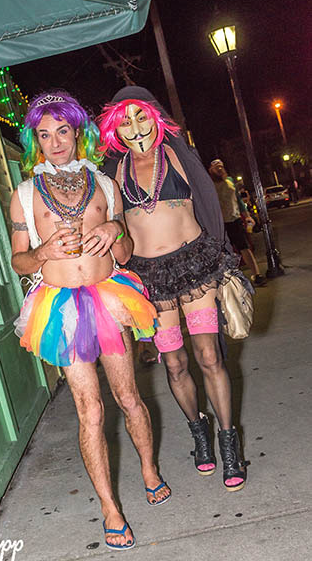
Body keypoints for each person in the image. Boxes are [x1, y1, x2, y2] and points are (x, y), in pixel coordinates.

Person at [10, 91, 171, 551]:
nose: (55, 142)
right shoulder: (23, 194)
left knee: (128, 397)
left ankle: (148, 468)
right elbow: (19, 261)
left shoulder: (104, 185)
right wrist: (43, 253)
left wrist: (111, 230)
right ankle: (109, 508)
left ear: (77, 133)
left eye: (62, 131)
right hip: (59, 309)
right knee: (89, 409)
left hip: (109, 301)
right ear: (34, 141)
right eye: (44, 134)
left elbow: (126, 251)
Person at [98, 85, 247, 492]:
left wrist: (224, 259)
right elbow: (111, 228)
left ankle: (228, 441)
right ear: (116, 128)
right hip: (151, 279)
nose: (135, 127)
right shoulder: (113, 172)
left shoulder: (178, 155)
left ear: (155, 117)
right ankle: (198, 430)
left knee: (209, 356)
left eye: (141, 116)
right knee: (175, 363)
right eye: (125, 121)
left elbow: (208, 205)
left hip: (194, 266)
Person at [209, 159, 266, 287]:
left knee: (244, 247)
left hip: (235, 219)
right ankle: (228, 281)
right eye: (216, 167)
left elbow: (239, 201)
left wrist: (247, 215)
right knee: (223, 251)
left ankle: (257, 274)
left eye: (221, 166)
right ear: (211, 170)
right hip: (220, 223)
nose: (219, 169)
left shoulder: (229, 181)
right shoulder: (210, 184)